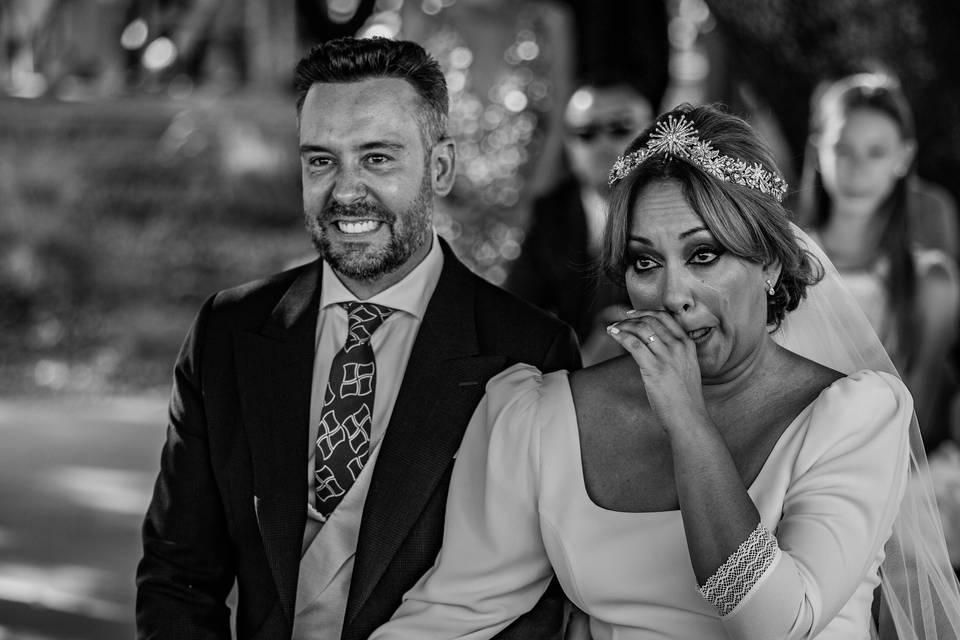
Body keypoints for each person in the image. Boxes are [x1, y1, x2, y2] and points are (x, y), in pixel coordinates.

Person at [370, 104, 960, 639]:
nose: (673, 293)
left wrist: (686, 419)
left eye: (705, 255)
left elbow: (780, 624)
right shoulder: (540, 416)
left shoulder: (855, 417)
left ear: (772, 266)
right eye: (646, 261)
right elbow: (451, 617)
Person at [135, 36, 580, 640]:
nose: (345, 192)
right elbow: (176, 574)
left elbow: (537, 606)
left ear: (440, 166)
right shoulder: (228, 332)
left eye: (377, 158)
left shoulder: (530, 349)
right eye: (321, 160)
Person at [796, 72, 960, 448]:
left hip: (883, 476)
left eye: (876, 152)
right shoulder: (779, 261)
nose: (858, 168)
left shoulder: (931, 282)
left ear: (904, 157)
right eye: (843, 149)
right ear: (818, 149)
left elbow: (915, 420)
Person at [359, 0, 575, 284]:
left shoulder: (549, 20)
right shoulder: (423, 19)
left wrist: (533, 206)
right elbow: (398, 124)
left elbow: (562, 119)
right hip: (442, 217)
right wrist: (433, 198)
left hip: (525, 221)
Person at [505, 74, 652, 365]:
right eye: (586, 133)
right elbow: (513, 314)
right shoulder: (551, 214)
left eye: (620, 128)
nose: (603, 143)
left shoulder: (679, 207)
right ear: (568, 144)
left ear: (651, 134)